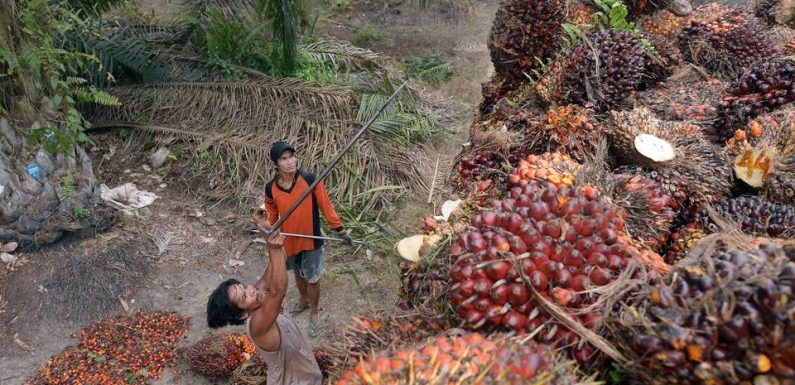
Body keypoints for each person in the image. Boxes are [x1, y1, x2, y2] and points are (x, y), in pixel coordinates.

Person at [206, 221, 323, 385]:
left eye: (244, 287)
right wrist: (275, 248)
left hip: (301, 366)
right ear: (243, 314)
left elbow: (274, 267)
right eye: (245, 297)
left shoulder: (256, 295)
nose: (251, 290)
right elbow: (278, 291)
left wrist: (269, 231)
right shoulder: (257, 326)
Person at [262, 141, 353, 337]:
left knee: (313, 278)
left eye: (292, 157)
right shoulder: (271, 188)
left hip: (311, 240)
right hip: (289, 240)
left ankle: (313, 312)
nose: (290, 162)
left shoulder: (310, 179)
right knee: (298, 274)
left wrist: (339, 229)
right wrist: (270, 228)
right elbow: (271, 211)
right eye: (284, 159)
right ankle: (303, 301)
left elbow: (326, 205)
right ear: (276, 164)